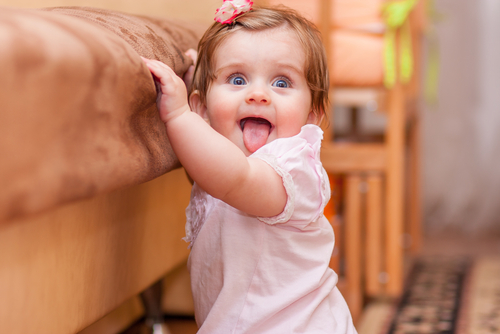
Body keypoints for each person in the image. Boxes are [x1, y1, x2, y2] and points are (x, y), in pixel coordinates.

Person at [142, 1, 357, 332]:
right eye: (237, 79)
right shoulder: (219, 161)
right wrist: (197, 110)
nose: (259, 94)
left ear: (312, 116)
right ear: (203, 106)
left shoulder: (294, 171)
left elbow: (235, 180)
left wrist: (179, 116)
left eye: (281, 83)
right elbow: (206, 168)